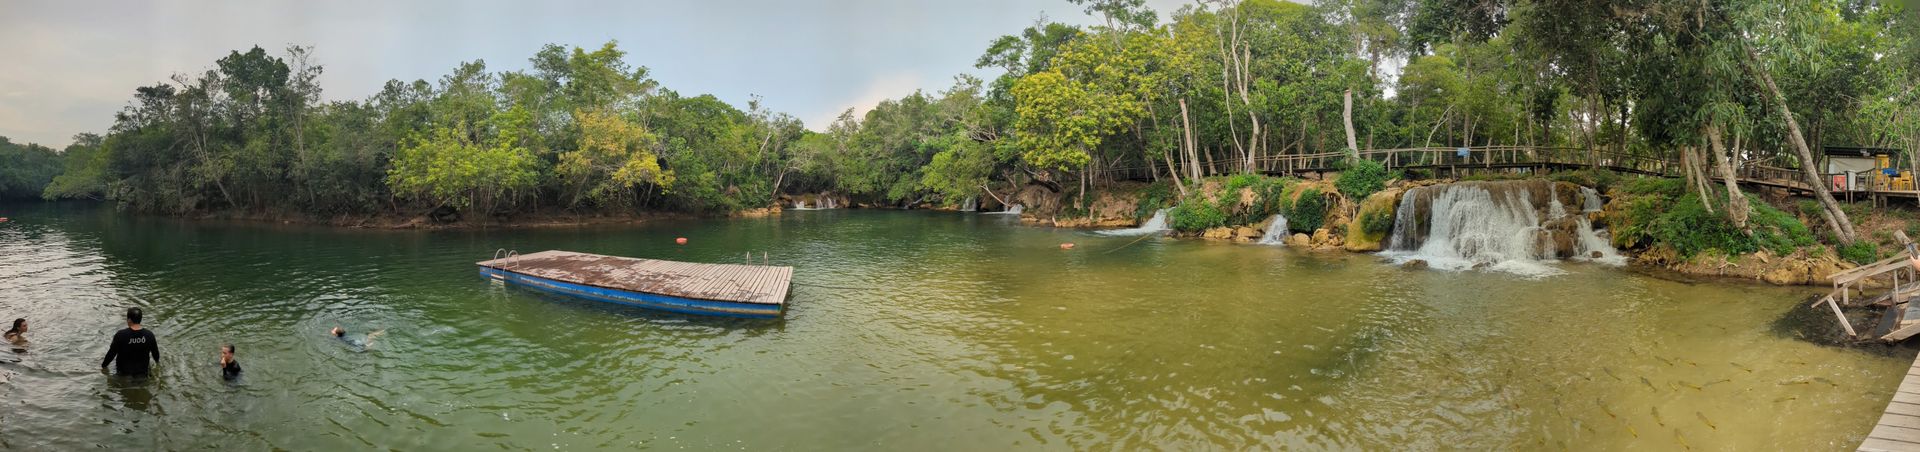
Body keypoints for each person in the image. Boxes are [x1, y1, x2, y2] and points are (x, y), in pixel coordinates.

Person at [102, 307, 160, 376]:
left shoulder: (121, 335)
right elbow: (156, 355)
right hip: (143, 374)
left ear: (129, 320)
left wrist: (103, 367)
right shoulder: (149, 335)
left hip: (123, 375)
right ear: (140, 319)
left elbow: (111, 354)